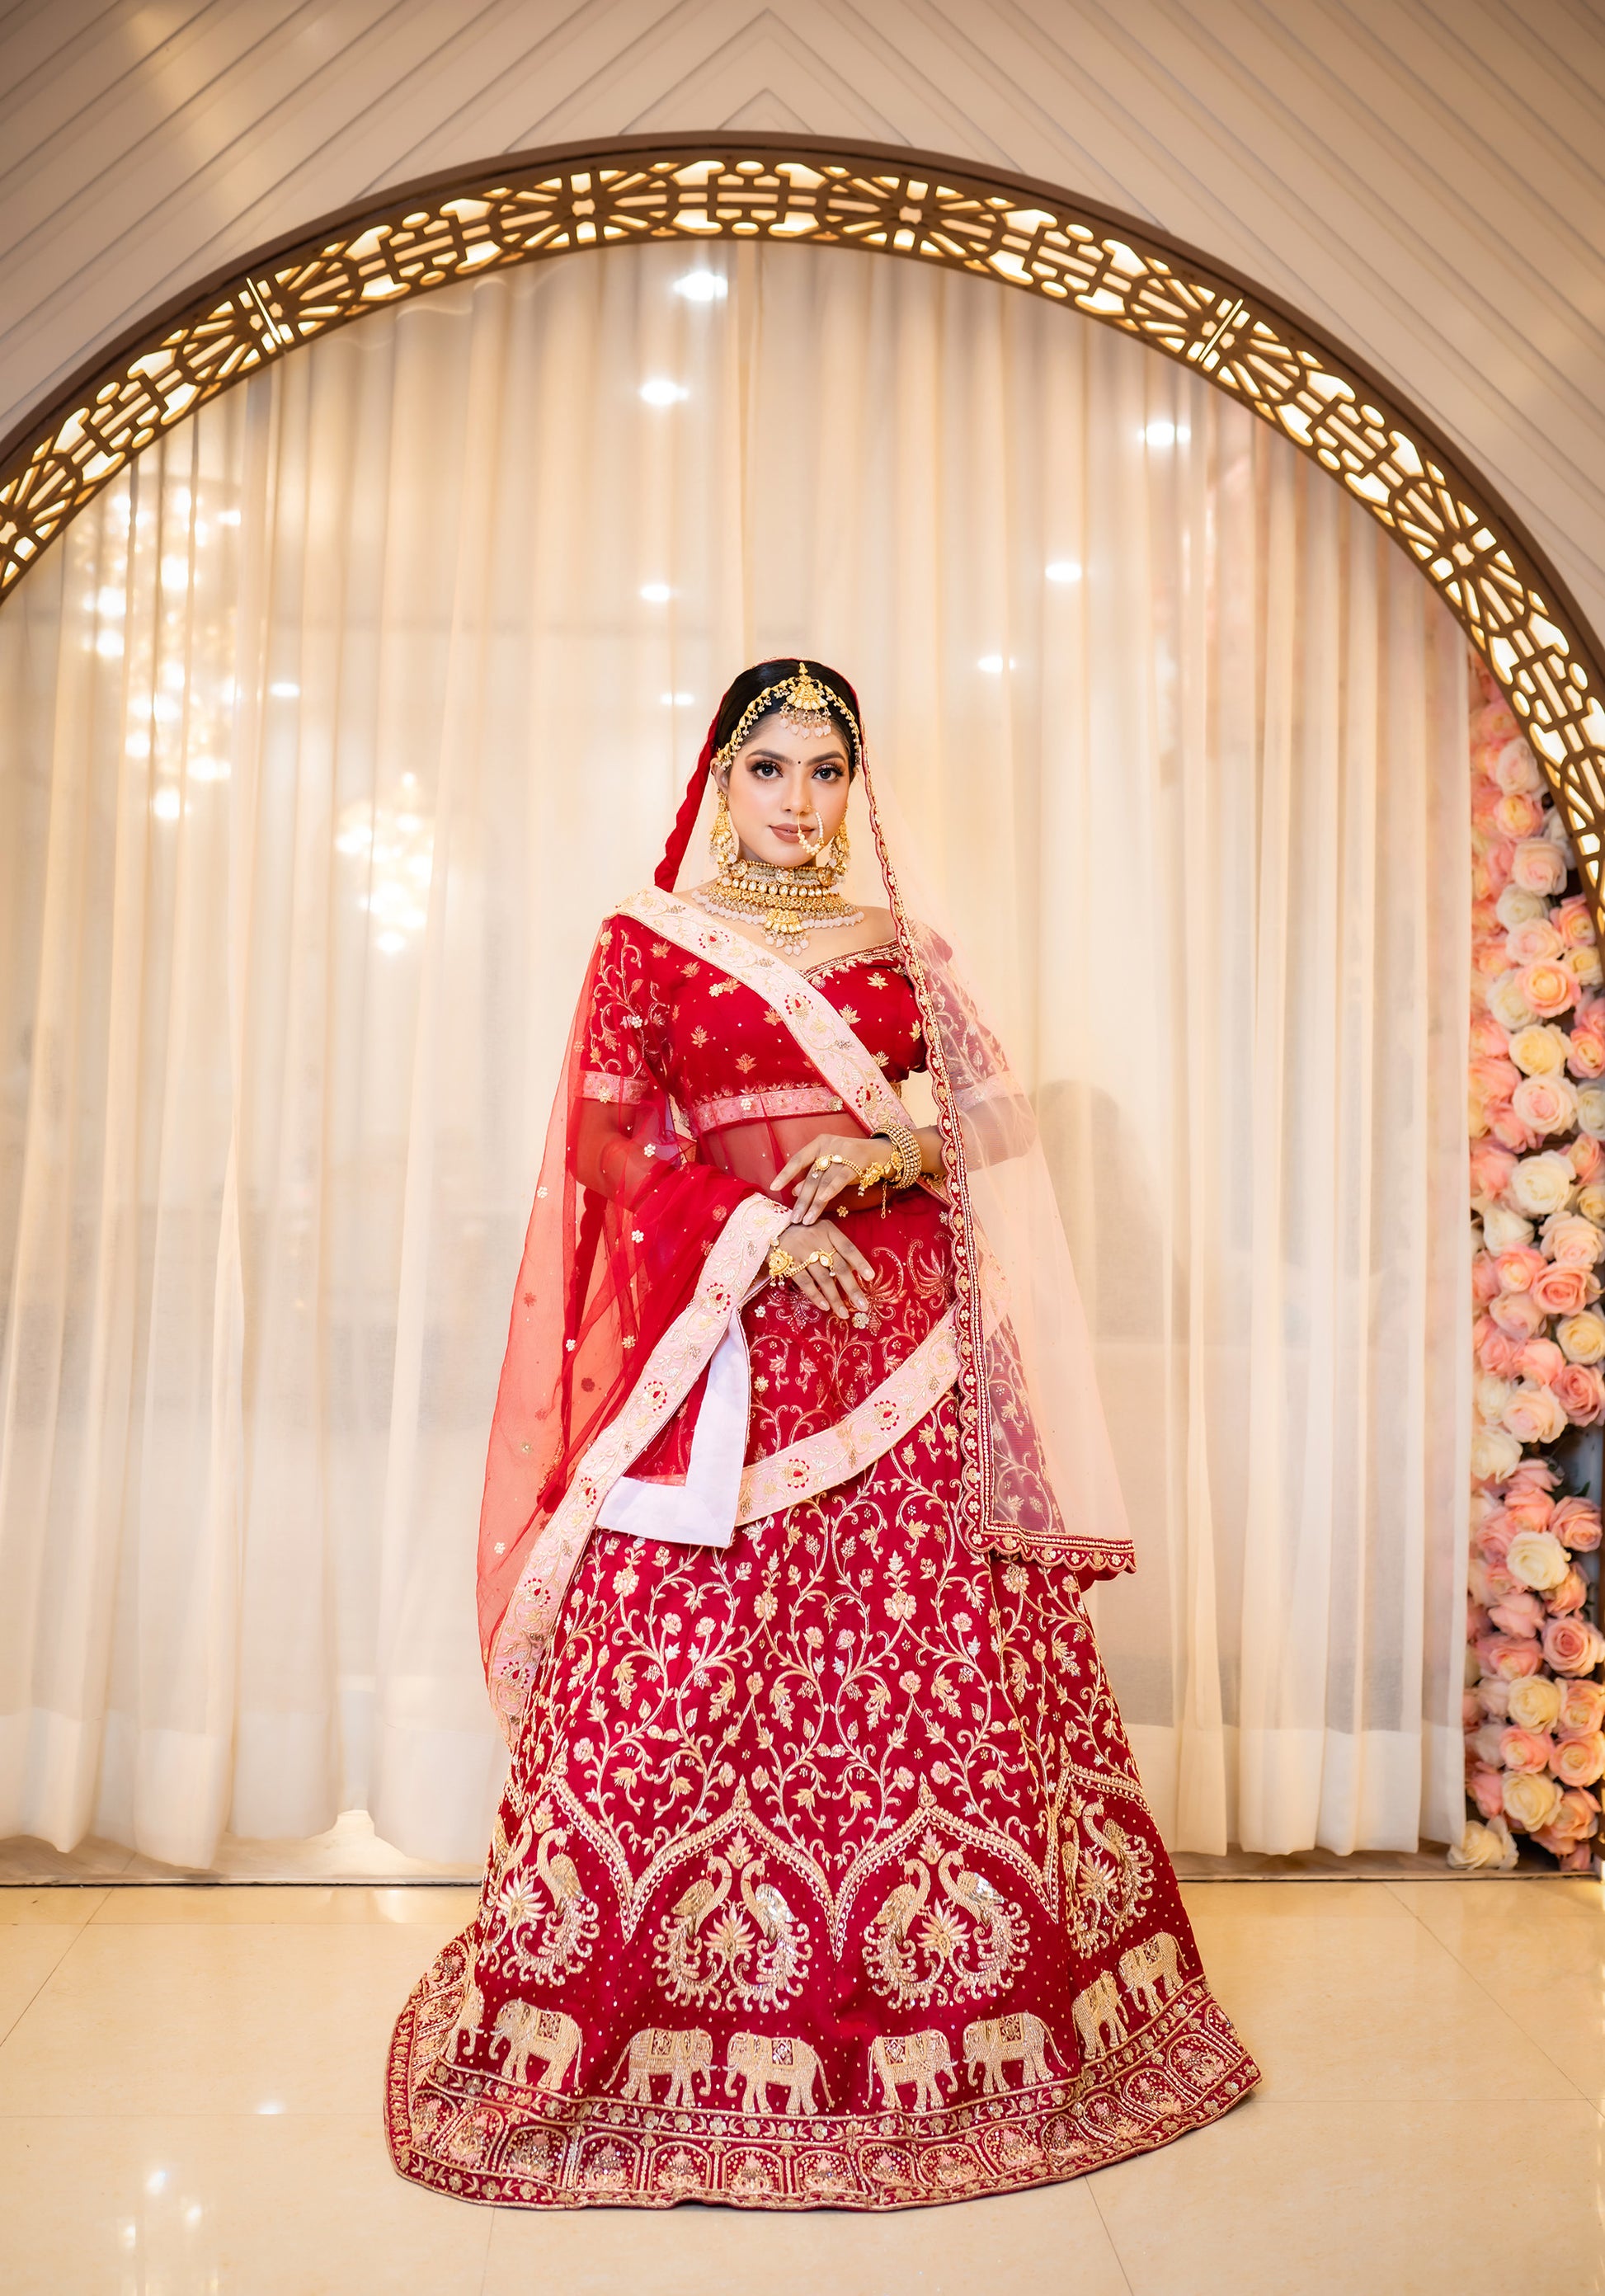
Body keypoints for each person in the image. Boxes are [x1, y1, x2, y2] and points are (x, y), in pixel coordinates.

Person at [386, 658, 1259, 2209]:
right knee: (684, 1657)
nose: (801, 800)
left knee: (943, 1659)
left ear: (857, 785)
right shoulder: (649, 943)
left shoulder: (897, 945)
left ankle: (976, 2015)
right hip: (731, 1339)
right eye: (770, 768)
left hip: (918, 1340)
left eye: (827, 770)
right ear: (718, 778)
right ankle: (649, 2015)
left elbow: (995, 1115)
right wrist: (758, 1232)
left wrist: (895, 1148)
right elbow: (604, 1141)